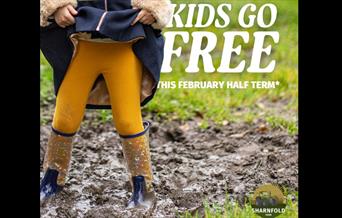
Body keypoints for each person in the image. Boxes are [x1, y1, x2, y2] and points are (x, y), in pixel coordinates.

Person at [39, 0, 173, 210]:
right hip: (82, 46)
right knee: (65, 117)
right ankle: (52, 177)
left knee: (128, 121)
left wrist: (154, 9)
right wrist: (56, 7)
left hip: (124, 49)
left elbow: (157, 7)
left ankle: (142, 186)